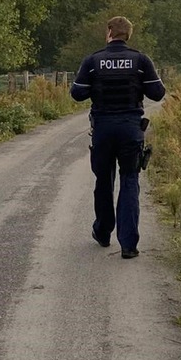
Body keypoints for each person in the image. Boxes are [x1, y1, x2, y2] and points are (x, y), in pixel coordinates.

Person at [70, 16, 166, 258]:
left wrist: (96, 85)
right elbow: (157, 93)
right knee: (130, 180)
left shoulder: (93, 61)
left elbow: (77, 94)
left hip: (103, 129)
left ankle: (102, 232)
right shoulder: (141, 61)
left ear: (110, 32)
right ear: (128, 35)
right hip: (130, 129)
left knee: (103, 180)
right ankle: (128, 245)